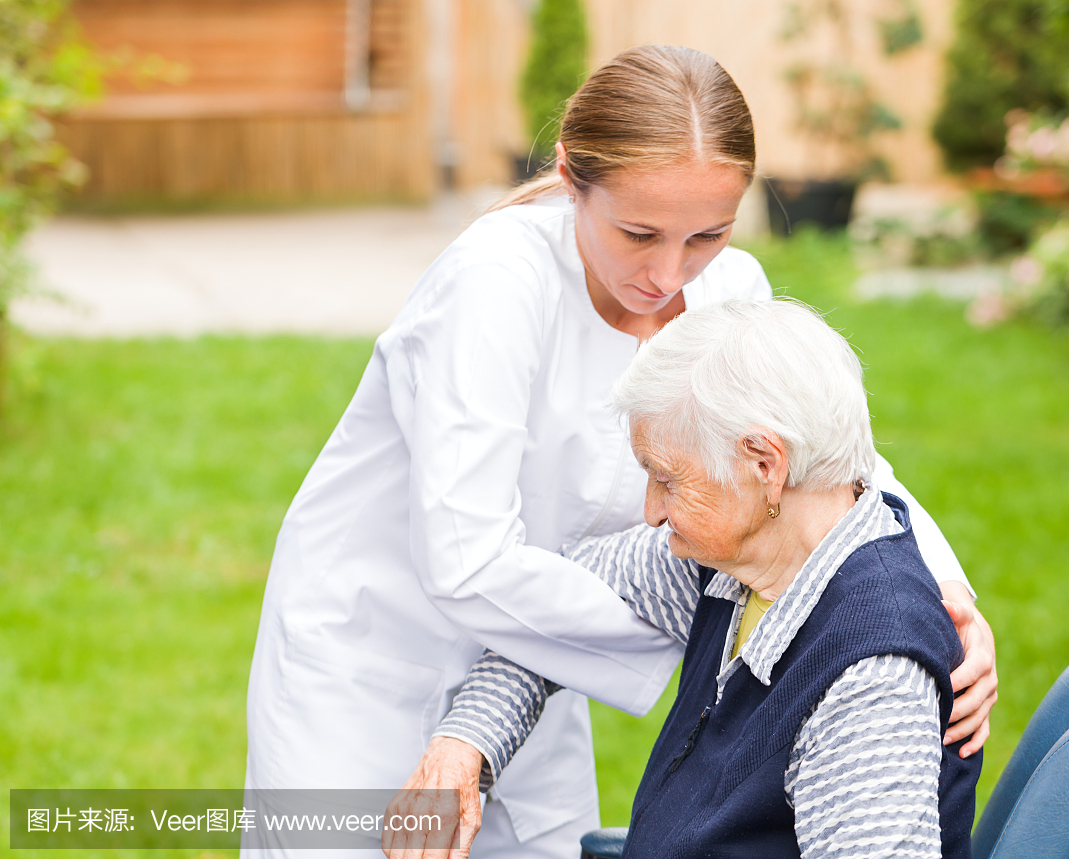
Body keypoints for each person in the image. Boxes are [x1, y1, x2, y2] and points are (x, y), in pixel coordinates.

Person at [244, 45, 995, 859]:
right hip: (371, 652)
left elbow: (836, 466)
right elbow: (465, 561)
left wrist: (943, 599)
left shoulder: (728, 291)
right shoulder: (495, 283)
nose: (668, 273)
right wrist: (717, 607)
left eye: (707, 233)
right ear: (570, 176)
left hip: (535, 643)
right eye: (638, 232)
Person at [392, 300, 982, 859]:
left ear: (764, 466)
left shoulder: (869, 678)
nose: (651, 510)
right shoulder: (730, 564)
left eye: (667, 479)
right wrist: (463, 746)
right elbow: (543, 614)